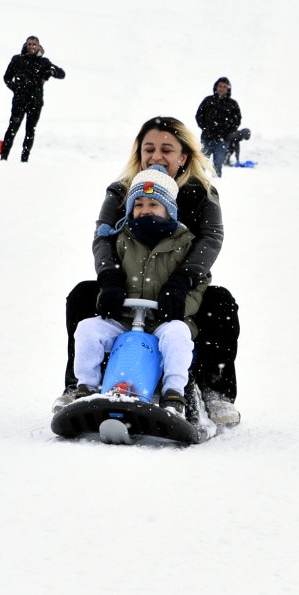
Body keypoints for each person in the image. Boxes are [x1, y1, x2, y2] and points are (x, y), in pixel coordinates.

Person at [56, 116, 241, 426]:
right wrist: (110, 277)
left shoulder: (201, 193)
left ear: (183, 156)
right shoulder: (122, 190)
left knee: (220, 302)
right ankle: (79, 384)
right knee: (83, 295)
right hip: (129, 288)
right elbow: (103, 236)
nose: (156, 156)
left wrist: (183, 279)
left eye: (167, 150)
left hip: (178, 287)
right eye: (149, 149)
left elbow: (210, 238)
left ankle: (214, 389)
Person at [73, 165, 208, 417]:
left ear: (169, 209)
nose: (145, 210)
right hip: (124, 320)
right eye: (138, 204)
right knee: (87, 329)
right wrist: (110, 293)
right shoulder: (122, 238)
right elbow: (110, 270)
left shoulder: (184, 243)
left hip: (162, 321)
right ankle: (85, 388)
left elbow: (200, 283)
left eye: (153, 204)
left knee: (179, 335)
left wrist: (179, 304)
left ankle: (174, 394)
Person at [1, 35, 65, 162]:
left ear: (39, 46)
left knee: (30, 131)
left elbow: (62, 74)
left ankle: (24, 159)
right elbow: (6, 77)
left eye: (34, 44)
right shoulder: (17, 59)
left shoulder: (44, 62)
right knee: (12, 129)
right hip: (19, 101)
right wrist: (15, 88)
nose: (32, 47)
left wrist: (51, 71)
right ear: (26, 45)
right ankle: (3, 157)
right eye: (29, 44)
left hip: (35, 102)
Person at [195, 77, 242, 178]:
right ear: (216, 87)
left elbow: (237, 121)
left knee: (217, 168)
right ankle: (199, 184)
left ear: (228, 89)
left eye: (225, 87)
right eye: (220, 86)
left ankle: (217, 186)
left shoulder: (232, 104)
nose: (222, 88)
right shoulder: (208, 100)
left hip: (222, 142)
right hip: (206, 139)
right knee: (201, 166)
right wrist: (205, 128)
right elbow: (199, 116)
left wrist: (227, 133)